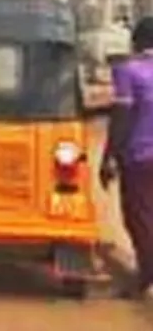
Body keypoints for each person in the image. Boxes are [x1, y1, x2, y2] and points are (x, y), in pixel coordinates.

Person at [101, 16, 153, 298]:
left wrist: (108, 157)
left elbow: (121, 116)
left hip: (141, 157)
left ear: (136, 41)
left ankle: (145, 277)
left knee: (138, 218)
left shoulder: (128, 70)